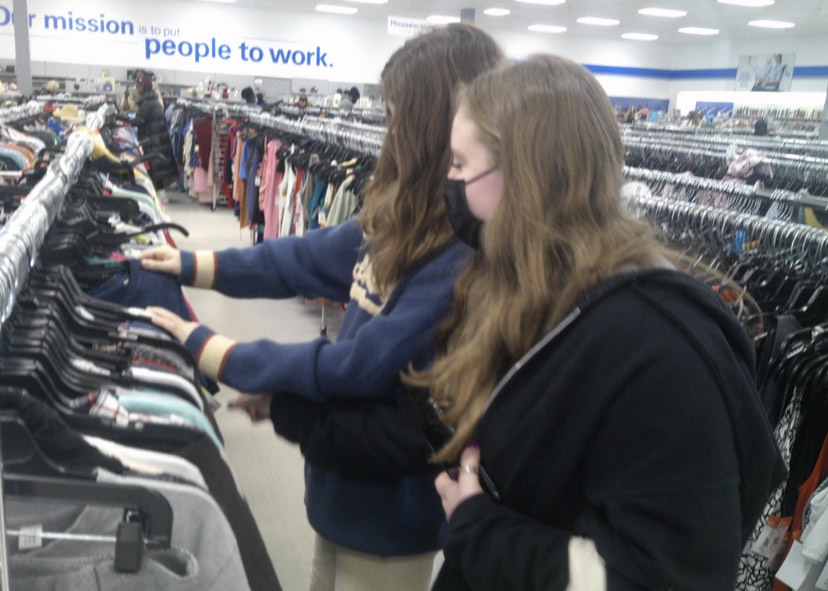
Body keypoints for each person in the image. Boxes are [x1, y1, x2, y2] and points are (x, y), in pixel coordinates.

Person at [137, 23, 504, 591]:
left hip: (392, 514)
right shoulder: (399, 216)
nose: (389, 129)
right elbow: (301, 259)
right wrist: (192, 265)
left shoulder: (459, 255)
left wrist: (219, 352)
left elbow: (360, 365)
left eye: (398, 114)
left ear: (432, 123)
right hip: (341, 487)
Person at [403, 54, 785, 590]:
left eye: (461, 165)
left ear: (527, 177)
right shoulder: (525, 288)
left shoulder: (658, 351)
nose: (448, 181)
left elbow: (665, 578)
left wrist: (479, 528)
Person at [131, 69, 177, 191]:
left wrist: (121, 119)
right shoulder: (153, 101)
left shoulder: (147, 104)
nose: (137, 88)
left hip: (152, 145)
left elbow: (139, 121)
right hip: (156, 144)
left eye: (139, 85)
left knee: (153, 178)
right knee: (157, 179)